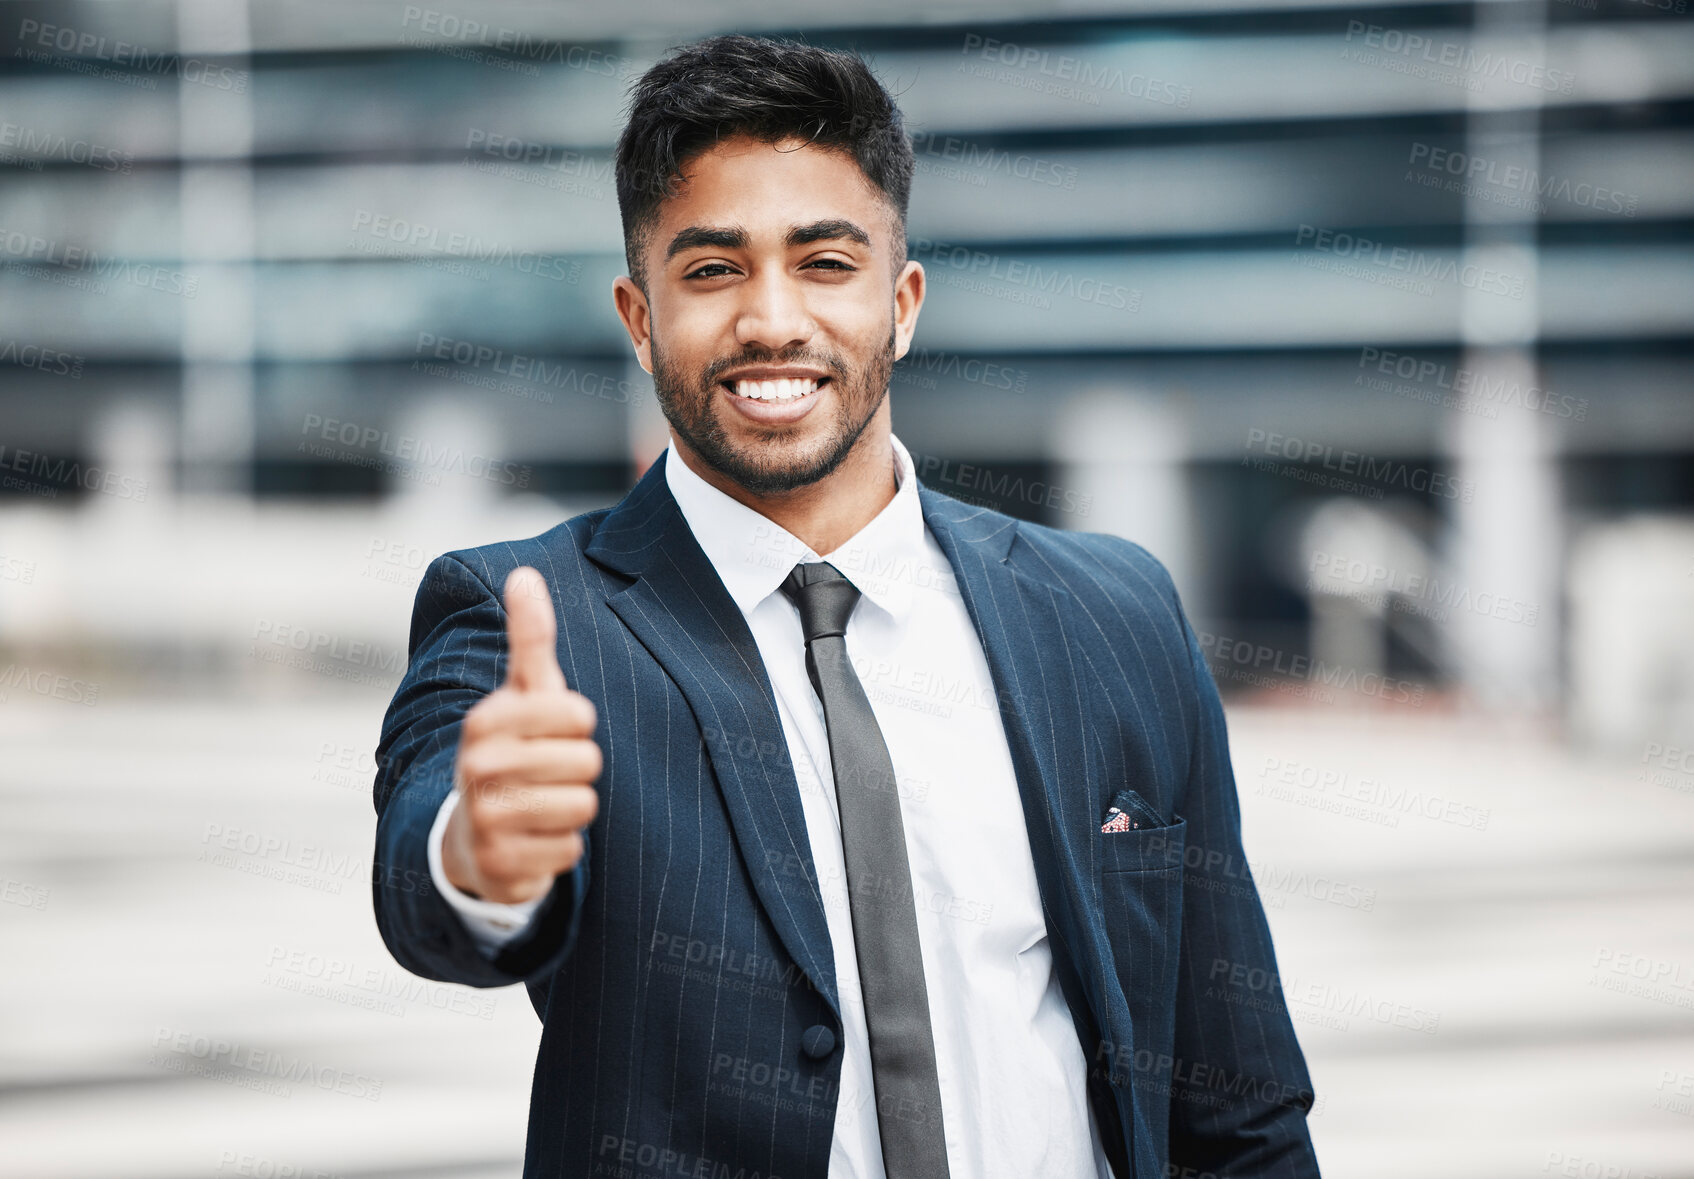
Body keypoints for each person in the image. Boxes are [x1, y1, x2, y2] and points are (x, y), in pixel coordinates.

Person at [372, 33, 1320, 1179]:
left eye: (824, 262)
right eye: (712, 270)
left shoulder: (1112, 614)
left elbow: (1239, 1103)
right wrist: (476, 852)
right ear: (636, 317)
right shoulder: (527, 615)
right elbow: (429, 876)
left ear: (902, 301)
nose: (772, 320)